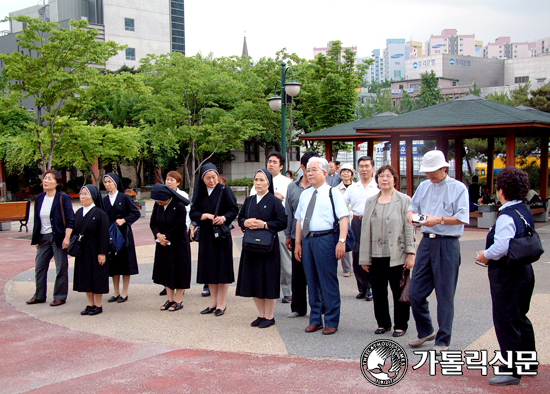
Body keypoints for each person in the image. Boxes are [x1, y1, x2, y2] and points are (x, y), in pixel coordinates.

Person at [475, 167, 537, 386]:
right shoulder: (523, 210)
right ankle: (528, 363)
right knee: (520, 317)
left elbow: (501, 246)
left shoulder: (506, 215)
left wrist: (485, 255)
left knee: (505, 321)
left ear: (501, 190)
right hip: (525, 271)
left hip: (507, 274)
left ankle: (511, 370)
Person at [406, 150, 469, 354]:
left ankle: (443, 339)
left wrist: (439, 219)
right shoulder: (424, 186)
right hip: (426, 242)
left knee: (445, 294)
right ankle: (425, 330)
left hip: (448, 243)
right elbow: (412, 207)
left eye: (433, 171)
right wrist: (412, 217)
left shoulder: (458, 188)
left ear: (444, 168)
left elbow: (462, 216)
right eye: (427, 172)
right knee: (415, 292)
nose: (430, 175)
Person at [294, 157, 349, 335]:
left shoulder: (333, 193)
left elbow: (344, 218)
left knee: (327, 281)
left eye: (314, 170)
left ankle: (331, 320)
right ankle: (315, 319)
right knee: (311, 281)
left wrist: (341, 241)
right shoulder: (305, 194)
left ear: (324, 173)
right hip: (308, 240)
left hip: (326, 239)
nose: (309, 173)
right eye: (308, 170)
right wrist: (298, 243)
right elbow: (299, 220)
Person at [359, 165, 416, 337]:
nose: (384, 179)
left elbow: (409, 228)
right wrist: (364, 258)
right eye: (381, 176)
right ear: (377, 180)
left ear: (395, 180)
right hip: (375, 254)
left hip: (396, 254)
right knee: (378, 291)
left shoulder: (405, 200)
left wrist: (411, 253)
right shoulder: (371, 201)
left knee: (399, 290)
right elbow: (365, 230)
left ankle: (401, 324)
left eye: (388, 176)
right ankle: (383, 323)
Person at [236, 169, 287, 328]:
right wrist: (245, 223)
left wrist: (264, 225)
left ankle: (269, 316)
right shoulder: (249, 200)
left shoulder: (274, 201)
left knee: (268, 280)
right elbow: (240, 218)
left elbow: (282, 222)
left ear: (269, 183)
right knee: (253, 280)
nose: (258, 183)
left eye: (262, 180)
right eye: (256, 180)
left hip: (268, 247)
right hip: (251, 246)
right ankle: (261, 314)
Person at [190, 163, 239, 317]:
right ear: (202, 179)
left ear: (218, 176)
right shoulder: (200, 192)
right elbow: (193, 212)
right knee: (209, 268)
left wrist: (224, 218)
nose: (211, 180)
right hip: (206, 234)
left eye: (214, 177)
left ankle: (222, 304)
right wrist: (204, 216)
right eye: (207, 178)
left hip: (221, 235)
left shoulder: (225, 190)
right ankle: (213, 302)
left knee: (222, 269)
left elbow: (234, 210)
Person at [250, 152, 293, 304]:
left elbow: (279, 198)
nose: (271, 164)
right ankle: (264, 289)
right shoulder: (258, 180)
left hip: (276, 225)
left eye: (275, 162)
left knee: (284, 259)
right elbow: (252, 201)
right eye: (269, 161)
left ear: (281, 166)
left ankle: (288, 291)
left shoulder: (286, 182)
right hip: (258, 228)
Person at [27, 169, 74, 306]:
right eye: (45, 178)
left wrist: (67, 237)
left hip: (58, 237)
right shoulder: (39, 198)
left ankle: (60, 296)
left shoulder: (63, 198)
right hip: (43, 238)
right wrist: (36, 239)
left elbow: (70, 219)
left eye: (49, 179)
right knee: (40, 266)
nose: (45, 181)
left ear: (57, 183)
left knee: (61, 267)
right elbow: (37, 220)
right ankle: (39, 295)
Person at [285, 151, 320, 318]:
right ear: (303, 167)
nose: (313, 171)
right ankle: (298, 307)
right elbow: (289, 213)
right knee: (298, 273)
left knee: (316, 273)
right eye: (310, 168)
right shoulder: (292, 187)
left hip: (317, 236)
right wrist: (288, 235)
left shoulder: (320, 187)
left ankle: (320, 307)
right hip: (296, 236)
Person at [150, 184, 192, 312]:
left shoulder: (179, 206)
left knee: (179, 271)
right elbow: (153, 223)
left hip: (178, 243)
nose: (159, 203)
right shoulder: (158, 205)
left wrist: (166, 238)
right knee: (166, 270)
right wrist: (158, 236)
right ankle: (170, 299)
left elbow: (180, 227)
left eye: (162, 201)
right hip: (162, 242)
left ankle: (179, 300)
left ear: (168, 197)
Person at [343, 156, 378, 301]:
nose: (364, 169)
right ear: (357, 170)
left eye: (367, 166)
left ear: (373, 168)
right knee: (356, 255)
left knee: (372, 255)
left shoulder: (378, 187)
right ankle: (362, 288)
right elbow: (342, 205)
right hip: (357, 223)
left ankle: (372, 287)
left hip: (374, 223)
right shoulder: (352, 188)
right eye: (361, 166)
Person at [102, 173, 140, 303]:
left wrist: (124, 220)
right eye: (105, 182)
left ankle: (125, 292)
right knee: (113, 263)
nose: (107, 184)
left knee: (125, 262)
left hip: (124, 234)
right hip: (110, 235)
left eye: (110, 182)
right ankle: (116, 291)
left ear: (116, 183)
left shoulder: (124, 198)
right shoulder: (104, 200)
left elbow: (136, 213)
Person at [73, 185, 110, 316]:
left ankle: (98, 305)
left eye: (85, 194)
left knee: (97, 277)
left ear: (93, 196)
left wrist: (102, 253)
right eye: (81, 194)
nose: (82, 197)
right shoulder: (78, 212)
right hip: (83, 250)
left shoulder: (100, 214)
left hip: (96, 250)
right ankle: (90, 303)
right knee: (85, 277)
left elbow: (104, 235)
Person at [159, 171, 191, 297]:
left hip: (180, 231)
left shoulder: (182, 195)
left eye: (172, 180)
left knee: (180, 262)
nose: (169, 181)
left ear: (178, 182)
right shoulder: (162, 195)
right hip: (165, 233)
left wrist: (187, 227)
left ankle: (179, 290)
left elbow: (187, 213)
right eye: (167, 179)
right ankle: (167, 286)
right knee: (167, 263)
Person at [335, 163, 355, 277]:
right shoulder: (336, 189)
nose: (345, 174)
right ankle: (347, 268)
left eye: (348, 171)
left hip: (355, 218)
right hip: (343, 220)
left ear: (352, 174)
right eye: (343, 171)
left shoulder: (357, 187)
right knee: (344, 241)